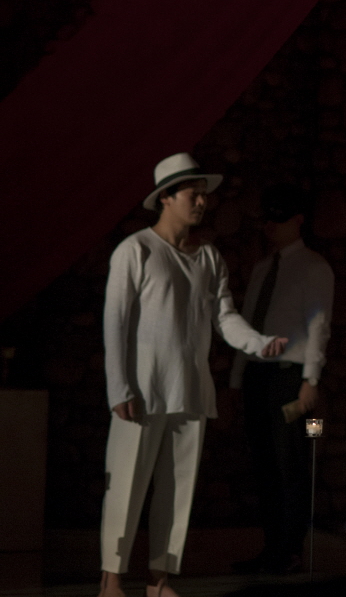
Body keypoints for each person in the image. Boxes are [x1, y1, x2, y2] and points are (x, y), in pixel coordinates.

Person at [99, 154, 288, 597]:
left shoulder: (208, 257)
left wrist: (258, 342)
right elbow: (115, 322)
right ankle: (111, 581)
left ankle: (159, 581)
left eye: (204, 195)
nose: (202, 202)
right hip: (142, 392)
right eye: (193, 194)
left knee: (178, 490)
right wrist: (119, 387)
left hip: (189, 390)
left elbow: (225, 316)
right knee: (125, 485)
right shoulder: (136, 250)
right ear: (166, 198)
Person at [230, 184, 334, 575]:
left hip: (289, 375)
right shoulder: (263, 268)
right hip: (259, 372)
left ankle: (289, 550)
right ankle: (272, 547)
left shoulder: (313, 267)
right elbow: (248, 322)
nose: (270, 225)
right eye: (267, 217)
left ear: (298, 220)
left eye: (280, 217)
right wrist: (237, 378)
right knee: (264, 464)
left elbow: (318, 325)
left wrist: (310, 379)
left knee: (288, 463)